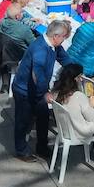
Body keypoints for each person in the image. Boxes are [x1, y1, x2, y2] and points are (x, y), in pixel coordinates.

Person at [11, 19, 71, 161]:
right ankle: (21, 151)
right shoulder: (40, 50)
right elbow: (37, 75)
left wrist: (75, 70)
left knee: (43, 118)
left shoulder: (54, 45)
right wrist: (44, 93)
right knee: (23, 121)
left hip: (37, 91)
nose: (64, 41)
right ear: (56, 36)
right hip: (24, 90)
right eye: (64, 37)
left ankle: (42, 147)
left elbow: (64, 58)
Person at [50, 62, 94, 142]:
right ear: (76, 79)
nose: (82, 79)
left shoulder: (56, 93)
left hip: (64, 131)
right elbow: (90, 117)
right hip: (80, 132)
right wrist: (91, 105)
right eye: (80, 76)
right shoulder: (78, 95)